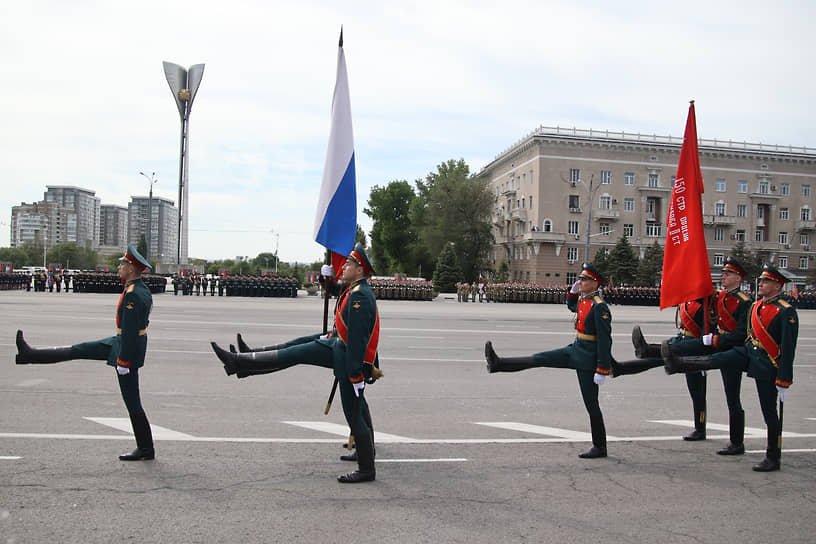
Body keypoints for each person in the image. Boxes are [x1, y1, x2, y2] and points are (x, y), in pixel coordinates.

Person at [211, 243, 381, 483]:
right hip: (339, 347)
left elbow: (358, 341)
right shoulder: (355, 290)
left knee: (353, 412)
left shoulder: (360, 297)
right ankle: (248, 358)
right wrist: (327, 279)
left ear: (361, 269)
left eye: (350, 264)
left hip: (348, 359)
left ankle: (367, 469)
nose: (344, 267)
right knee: (297, 347)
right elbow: (344, 319)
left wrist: (354, 373)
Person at [14, 244, 155, 461]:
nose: (119, 267)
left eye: (122, 264)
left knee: (132, 402)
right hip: (120, 342)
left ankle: (145, 448)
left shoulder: (134, 294)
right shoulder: (137, 289)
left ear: (132, 268)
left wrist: (124, 362)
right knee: (78, 349)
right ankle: (29, 355)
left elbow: (130, 331)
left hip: (126, 349)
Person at [662, 264, 797, 472]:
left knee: (768, 411)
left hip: (768, 364)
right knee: (721, 360)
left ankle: (772, 456)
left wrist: (784, 378)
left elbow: (788, 348)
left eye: (766, 281)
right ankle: (682, 363)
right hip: (747, 353)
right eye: (761, 280)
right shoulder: (757, 306)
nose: (761, 284)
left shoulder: (785, 312)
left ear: (778, 285)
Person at [614, 257, 751, 450]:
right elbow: (695, 295)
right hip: (714, 342)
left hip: (730, 349)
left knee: (732, 397)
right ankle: (647, 351)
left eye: (729, 273)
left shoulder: (744, 302)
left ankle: (737, 442)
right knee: (679, 360)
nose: (724, 275)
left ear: (739, 278)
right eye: (724, 272)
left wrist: (714, 340)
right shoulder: (719, 296)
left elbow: (741, 334)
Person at [484, 263, 611, 459]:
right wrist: (572, 293)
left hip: (588, 359)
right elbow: (571, 307)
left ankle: (600, 447)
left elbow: (605, 340)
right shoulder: (585, 301)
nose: (581, 282)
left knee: (591, 404)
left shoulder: (599, 306)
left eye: (584, 280)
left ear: (595, 283)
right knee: (540, 358)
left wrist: (602, 368)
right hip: (575, 349)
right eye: (580, 278)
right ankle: (498, 363)